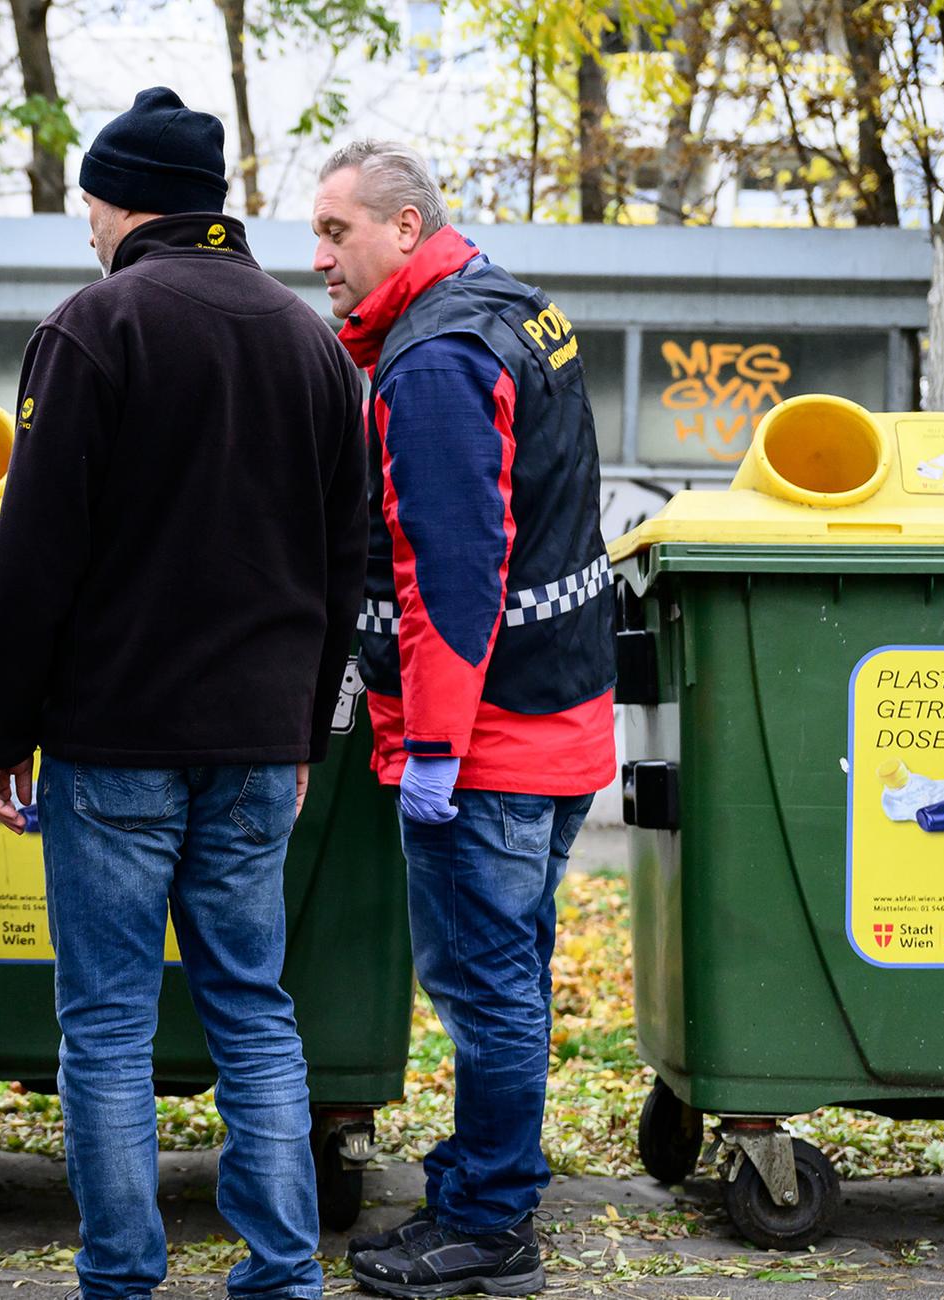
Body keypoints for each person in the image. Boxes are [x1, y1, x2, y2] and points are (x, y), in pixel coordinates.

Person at [0, 86, 368, 1300]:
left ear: (122, 197)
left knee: (106, 1029)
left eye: (88, 200)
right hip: (254, 745)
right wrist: (302, 729)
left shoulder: (96, 326)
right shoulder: (309, 344)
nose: (84, 224)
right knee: (253, 1008)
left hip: (116, 739)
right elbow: (340, 560)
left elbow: (36, 552)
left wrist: (2, 729)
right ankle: (283, 1272)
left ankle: (122, 1279)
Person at [311, 140, 618, 1299]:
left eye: (336, 231)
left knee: (484, 984)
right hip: (556, 718)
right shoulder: (511, 309)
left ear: (402, 226)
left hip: (484, 744)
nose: (320, 257)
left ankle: (487, 1225)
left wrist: (432, 744)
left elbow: (450, 575)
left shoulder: (435, 360)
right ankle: (484, 1178)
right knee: (512, 976)